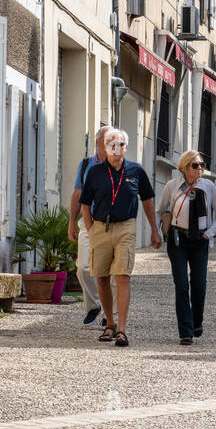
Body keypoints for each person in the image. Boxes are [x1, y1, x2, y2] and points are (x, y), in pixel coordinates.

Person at [79, 127, 161, 347]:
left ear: (126, 147)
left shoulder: (136, 171)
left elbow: (147, 201)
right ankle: (110, 323)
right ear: (105, 147)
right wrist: (91, 230)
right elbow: (84, 204)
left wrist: (154, 229)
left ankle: (122, 329)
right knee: (102, 277)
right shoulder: (95, 172)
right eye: (111, 145)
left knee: (122, 275)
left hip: (126, 226)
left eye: (120, 145)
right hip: (100, 227)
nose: (116, 149)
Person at [157, 151, 216, 344]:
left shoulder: (208, 186)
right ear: (184, 167)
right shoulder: (172, 186)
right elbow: (160, 210)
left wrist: (209, 233)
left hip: (200, 238)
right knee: (181, 284)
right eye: (195, 165)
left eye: (201, 165)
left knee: (199, 284)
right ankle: (185, 331)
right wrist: (158, 233)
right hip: (178, 238)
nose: (200, 169)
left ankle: (197, 321)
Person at [68, 125, 114, 327]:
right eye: (107, 142)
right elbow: (77, 194)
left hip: (112, 224)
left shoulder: (118, 164)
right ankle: (94, 305)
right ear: (98, 143)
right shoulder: (86, 164)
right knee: (83, 268)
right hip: (88, 222)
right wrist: (71, 222)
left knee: (112, 270)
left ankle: (110, 315)